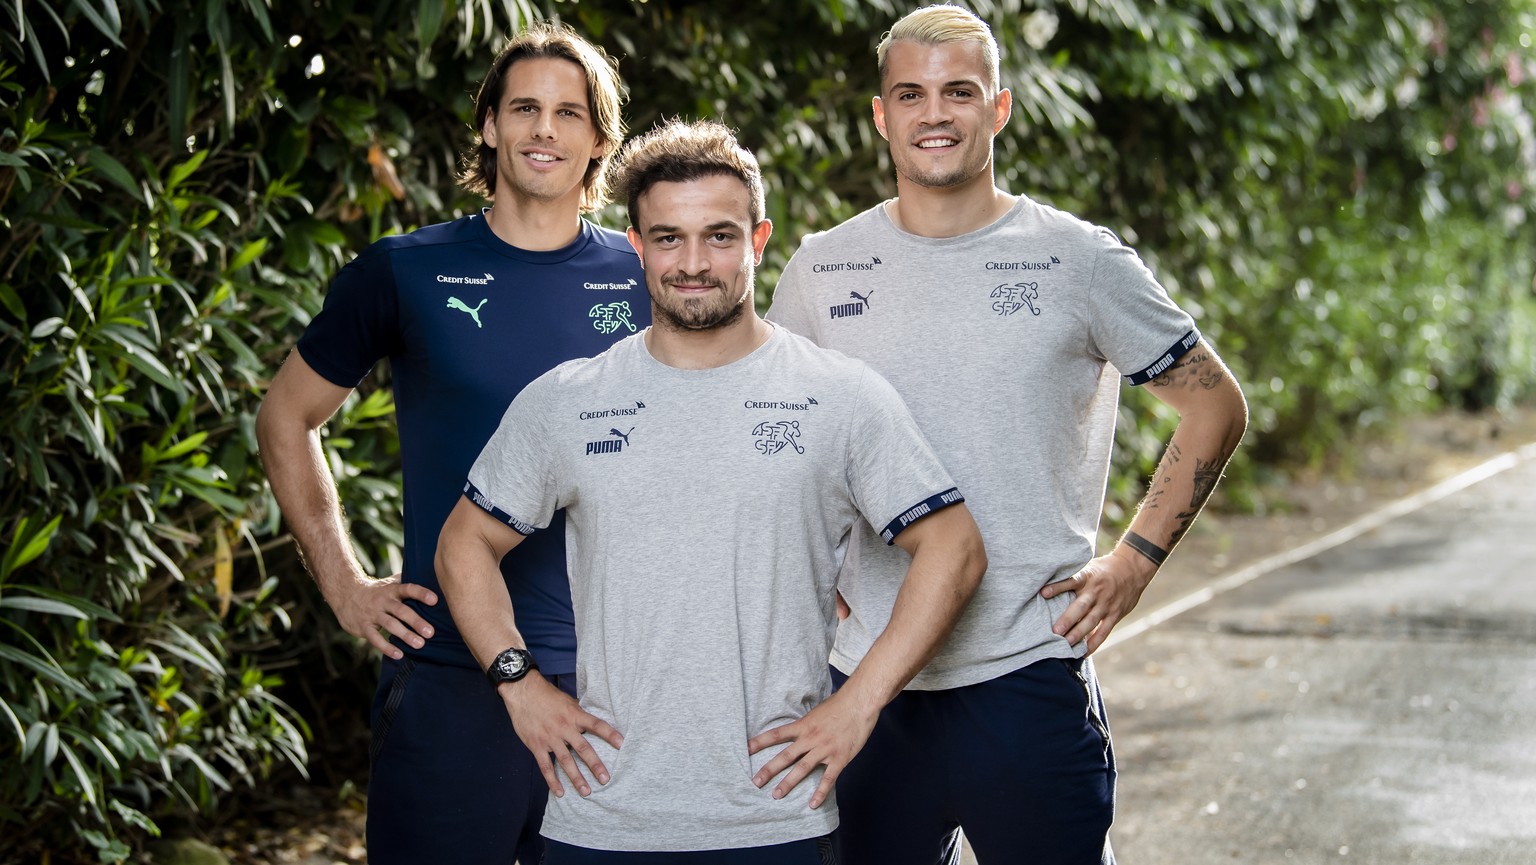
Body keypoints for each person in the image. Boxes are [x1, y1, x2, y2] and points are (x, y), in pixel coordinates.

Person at [765, 5, 1250, 864]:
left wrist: (1134, 561)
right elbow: (778, 436)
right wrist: (809, 574)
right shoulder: (822, 268)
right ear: (881, 114)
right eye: (909, 94)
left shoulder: (1077, 259)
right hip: (869, 682)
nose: (934, 114)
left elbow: (1215, 405)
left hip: (1027, 669)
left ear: (999, 107)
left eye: (960, 91)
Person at [434, 118, 988, 864]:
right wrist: (518, 681)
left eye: (719, 236)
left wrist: (859, 704)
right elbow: (464, 541)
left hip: (778, 820)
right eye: (668, 238)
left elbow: (953, 546)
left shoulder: (839, 396)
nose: (693, 263)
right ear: (636, 246)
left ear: (759, 241)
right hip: (599, 819)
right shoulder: (568, 399)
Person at [254, 22, 650, 865]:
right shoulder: (406, 271)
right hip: (447, 675)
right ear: (489, 126)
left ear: (598, 142)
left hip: (620, 683)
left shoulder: (648, 273)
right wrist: (344, 582)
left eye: (569, 113)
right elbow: (285, 416)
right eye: (525, 108)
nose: (545, 129)